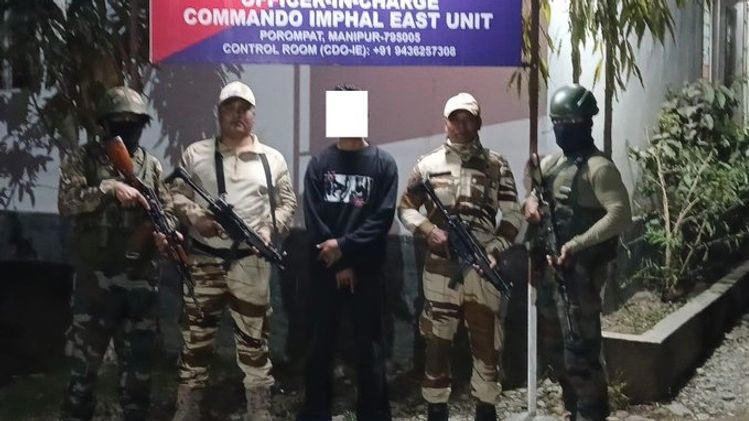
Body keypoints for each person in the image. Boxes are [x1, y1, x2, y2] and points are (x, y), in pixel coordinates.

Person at [168, 81, 297, 421]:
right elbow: (175, 194)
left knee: (254, 340)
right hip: (203, 261)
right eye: (230, 108)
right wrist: (196, 217)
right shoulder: (195, 154)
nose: (237, 115)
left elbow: (287, 203)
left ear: (254, 115)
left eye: (244, 109)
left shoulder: (272, 159)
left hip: (250, 263)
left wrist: (269, 228)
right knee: (195, 340)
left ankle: (259, 407)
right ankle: (187, 408)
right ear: (219, 112)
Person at [398, 92, 523, 421]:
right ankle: (436, 406)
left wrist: (495, 248)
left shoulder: (496, 165)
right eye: (456, 119)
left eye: (469, 119)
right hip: (441, 268)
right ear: (446, 123)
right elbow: (406, 208)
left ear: (479, 123)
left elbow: (512, 214)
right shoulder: (427, 165)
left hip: (482, 267)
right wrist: (429, 230)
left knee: (487, 341)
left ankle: (486, 407)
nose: (462, 125)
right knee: (437, 340)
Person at [59, 85, 174, 421]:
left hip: (140, 284)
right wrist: (107, 188)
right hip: (95, 283)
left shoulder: (151, 166)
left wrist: (166, 234)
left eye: (134, 122)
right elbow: (67, 203)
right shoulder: (84, 159)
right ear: (104, 124)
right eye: (119, 121)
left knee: (138, 374)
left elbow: (166, 211)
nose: (127, 128)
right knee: (83, 373)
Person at [524, 84, 631, 421]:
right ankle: (573, 408)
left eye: (568, 122)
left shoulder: (598, 168)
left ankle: (591, 413)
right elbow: (536, 196)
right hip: (551, 273)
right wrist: (531, 204)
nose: (561, 129)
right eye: (557, 122)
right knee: (557, 351)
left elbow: (620, 214)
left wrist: (577, 244)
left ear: (586, 122)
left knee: (581, 353)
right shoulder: (553, 163)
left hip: (580, 278)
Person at [296, 84, 398, 421]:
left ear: (365, 115)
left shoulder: (384, 164)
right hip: (324, 268)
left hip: (368, 270)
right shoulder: (319, 164)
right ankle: (316, 412)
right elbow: (313, 217)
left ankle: (373, 413)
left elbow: (382, 218)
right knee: (319, 346)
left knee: (370, 346)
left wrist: (345, 250)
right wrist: (337, 258)